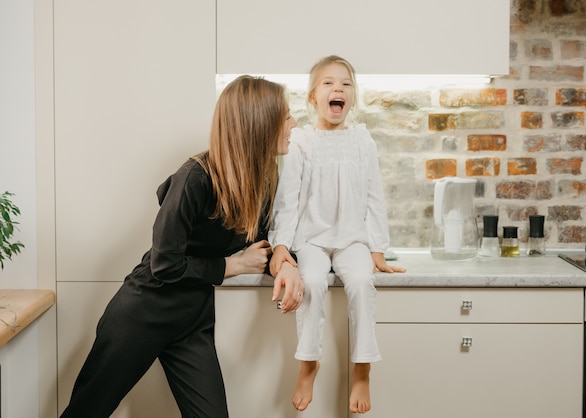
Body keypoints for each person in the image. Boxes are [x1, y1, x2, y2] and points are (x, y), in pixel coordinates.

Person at [60, 75, 303, 418]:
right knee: (86, 412)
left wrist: (286, 260)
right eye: (287, 116)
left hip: (193, 321)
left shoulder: (263, 180)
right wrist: (232, 266)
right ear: (259, 123)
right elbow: (165, 264)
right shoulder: (195, 177)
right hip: (143, 312)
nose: (294, 124)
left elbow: (264, 245)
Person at [268, 55, 405, 414]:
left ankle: (362, 368)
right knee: (311, 282)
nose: (338, 88)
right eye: (328, 83)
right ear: (313, 97)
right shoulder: (301, 141)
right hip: (311, 238)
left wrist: (377, 248)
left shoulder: (363, 141)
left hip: (352, 239)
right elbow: (288, 198)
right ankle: (308, 363)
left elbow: (375, 196)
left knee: (361, 282)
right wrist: (282, 244)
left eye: (345, 83)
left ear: (352, 98)